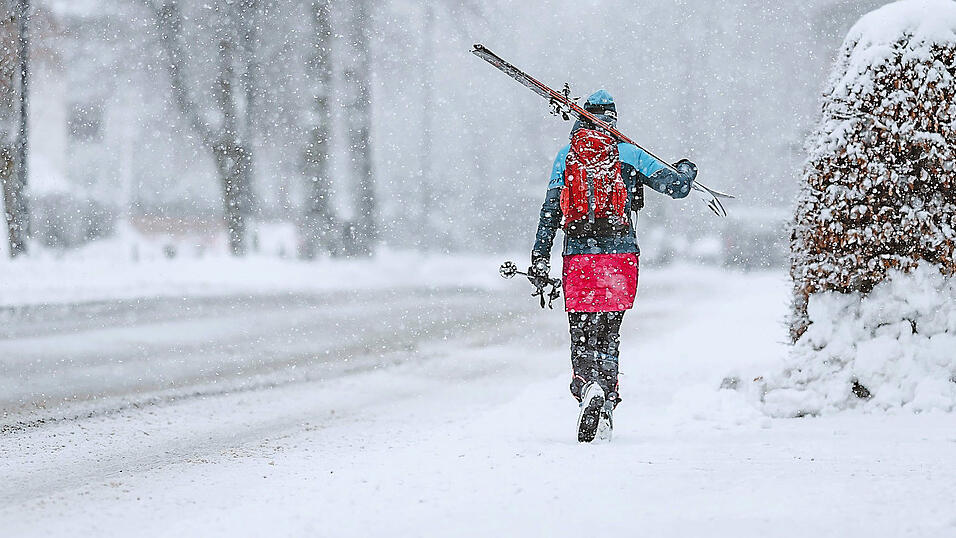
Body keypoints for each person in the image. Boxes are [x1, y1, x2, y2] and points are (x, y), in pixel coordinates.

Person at [529, 89, 698, 442]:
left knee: (582, 334)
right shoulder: (630, 154)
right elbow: (678, 187)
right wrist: (685, 168)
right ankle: (605, 402)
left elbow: (549, 213)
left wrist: (540, 259)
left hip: (578, 257)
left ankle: (587, 384)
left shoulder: (567, 156)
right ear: (613, 120)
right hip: (620, 258)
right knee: (609, 334)